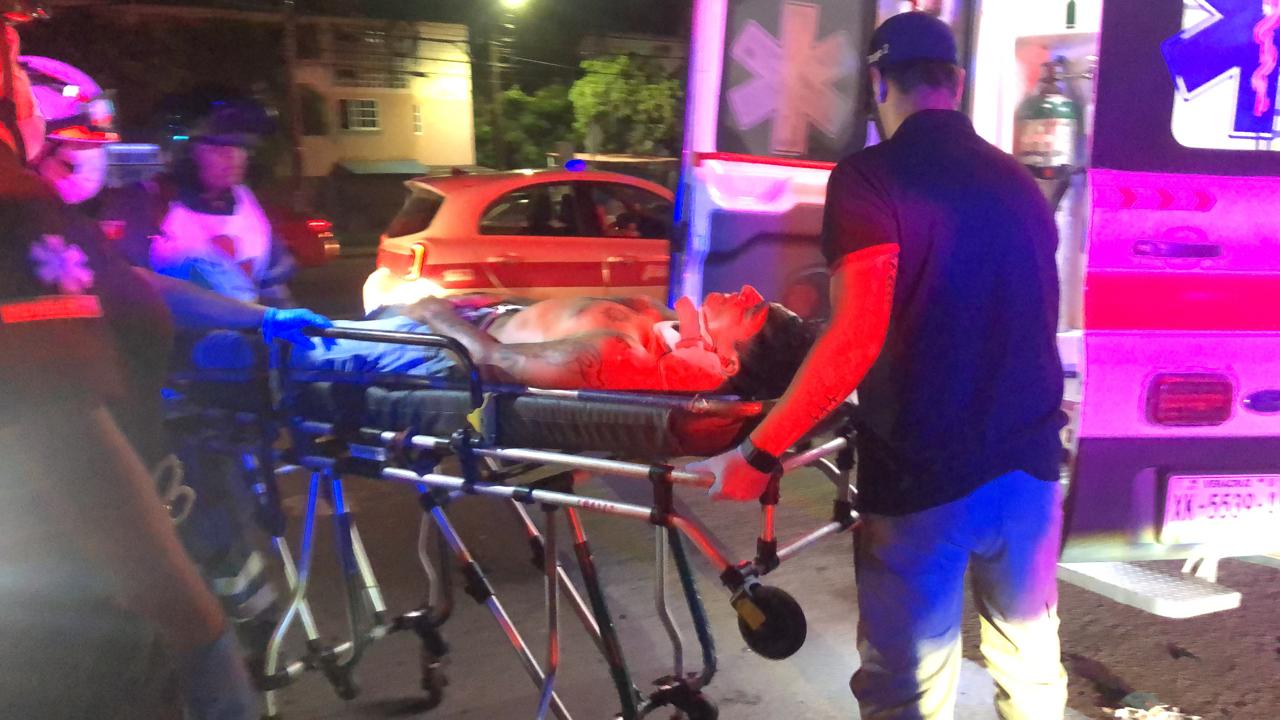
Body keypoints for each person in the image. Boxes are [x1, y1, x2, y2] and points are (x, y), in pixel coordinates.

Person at [690, 12, 1068, 720]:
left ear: (876, 83)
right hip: (1030, 472)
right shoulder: (1020, 183)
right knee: (1032, 671)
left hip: (925, 476)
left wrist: (759, 452)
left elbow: (857, 336)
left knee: (908, 689)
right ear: (956, 83)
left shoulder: (872, 177)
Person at [0, 25, 259, 720]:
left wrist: (260, 317)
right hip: (73, 601)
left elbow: (131, 286)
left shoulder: (56, 216)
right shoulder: (14, 207)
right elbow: (64, 433)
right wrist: (200, 636)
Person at [275, 287, 815, 399]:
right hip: (466, 320)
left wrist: (437, 313)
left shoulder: (621, 356)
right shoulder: (660, 322)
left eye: (752, 310)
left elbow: (493, 360)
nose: (746, 291)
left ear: (728, 360)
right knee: (284, 329)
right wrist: (497, 301)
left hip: (434, 349)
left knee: (276, 350)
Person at [102, 98, 296, 307]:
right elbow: (123, 287)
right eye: (218, 148)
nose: (233, 158)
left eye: (240, 147)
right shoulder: (144, 203)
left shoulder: (249, 205)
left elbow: (274, 290)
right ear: (187, 153)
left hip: (244, 325)